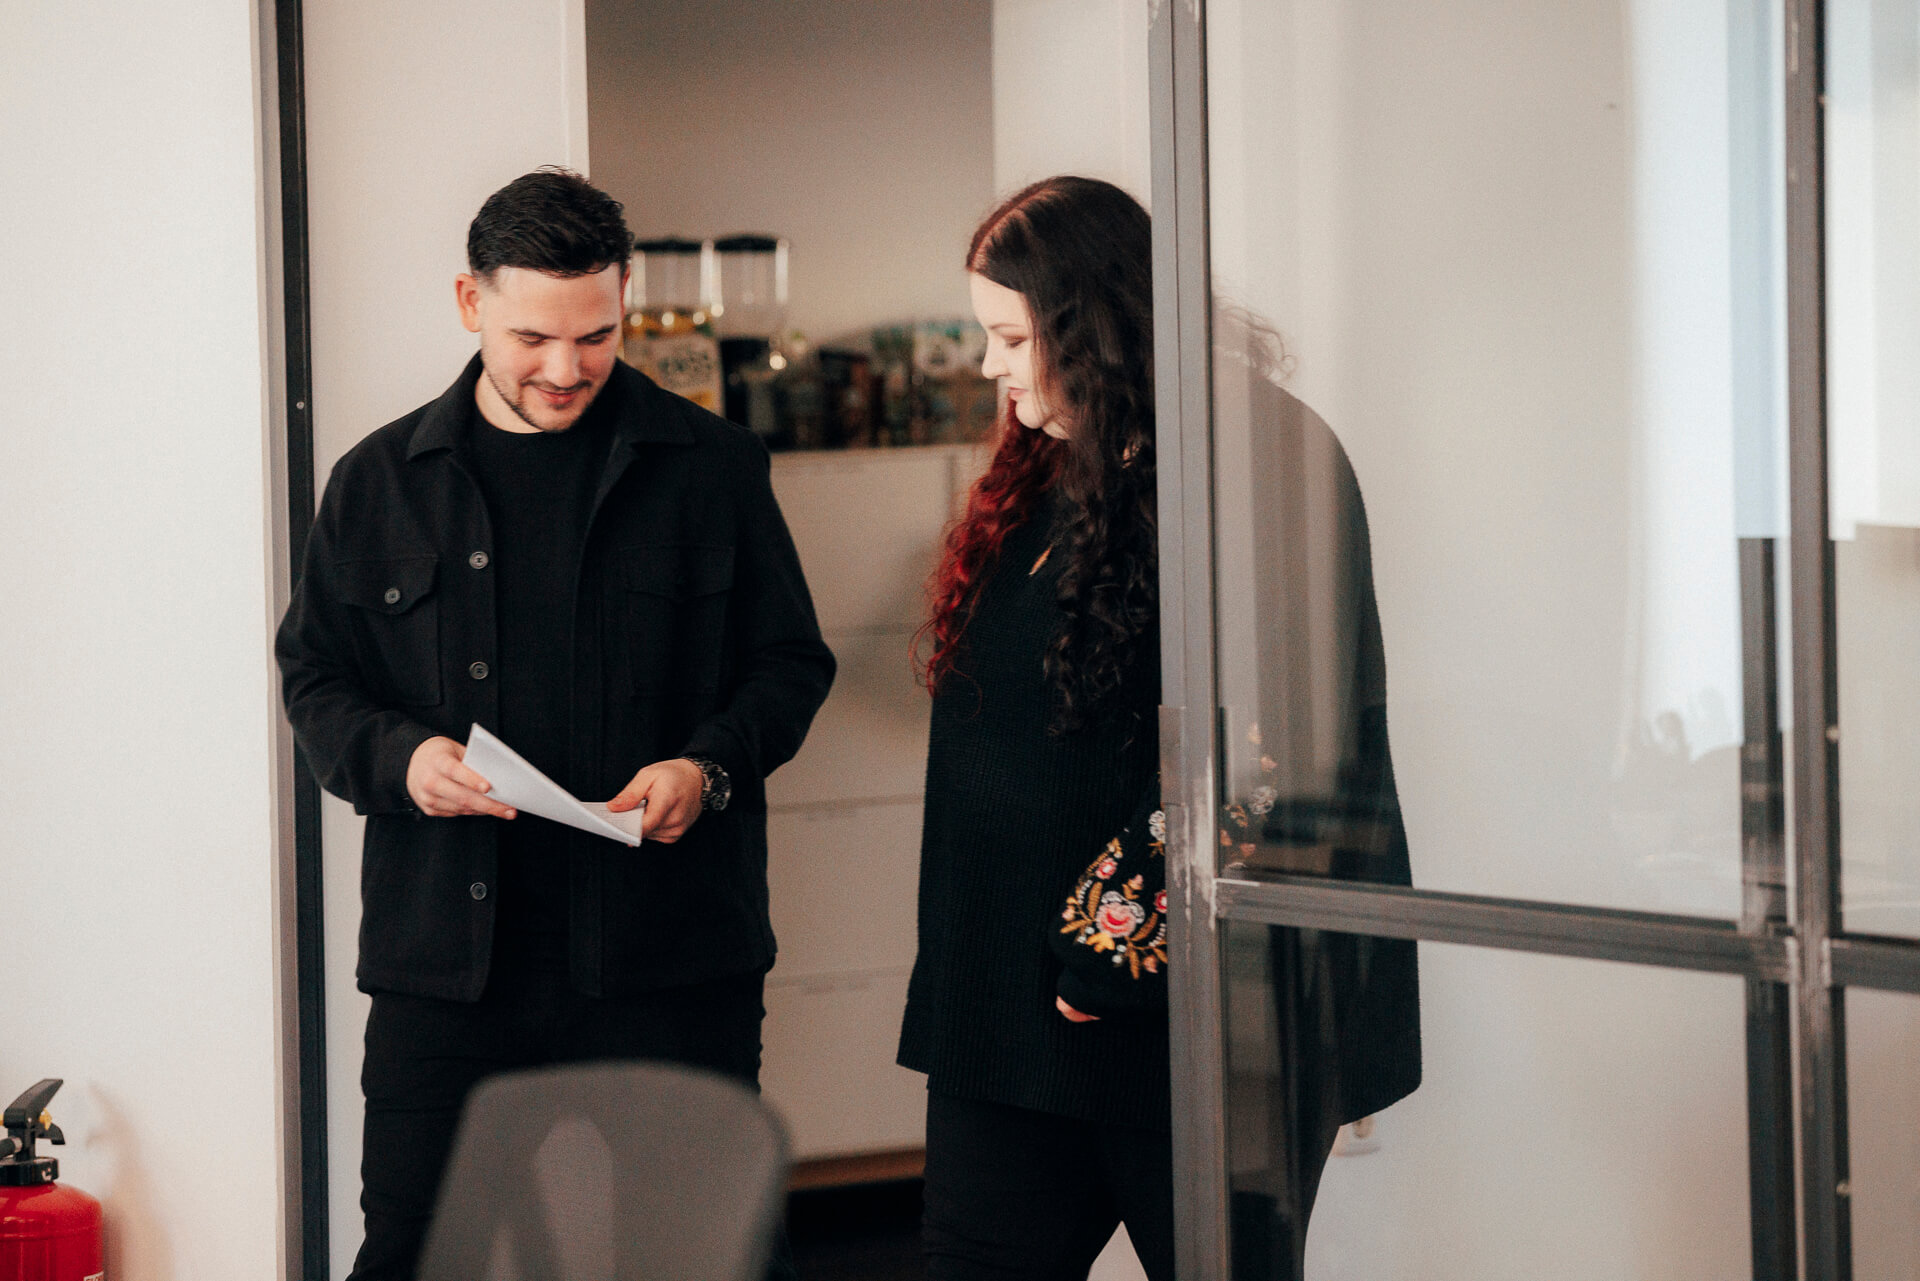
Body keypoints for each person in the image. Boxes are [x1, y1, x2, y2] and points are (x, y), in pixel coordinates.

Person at [275, 167, 833, 1281]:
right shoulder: (377, 481)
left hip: (670, 958)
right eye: (535, 336)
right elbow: (315, 675)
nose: (567, 369)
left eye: (597, 334)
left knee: (706, 1258)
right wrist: (401, 761)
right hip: (448, 967)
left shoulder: (712, 469)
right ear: (469, 302)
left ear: (623, 298)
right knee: (414, 1255)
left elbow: (788, 665)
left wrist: (706, 769)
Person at [897, 175, 1419, 1281]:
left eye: (1006, 336)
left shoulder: (1265, 459)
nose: (988, 365)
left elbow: (1281, 749)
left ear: (1093, 328)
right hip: (1008, 1012)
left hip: (1184, 1016)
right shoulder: (1056, 446)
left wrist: (1104, 954)